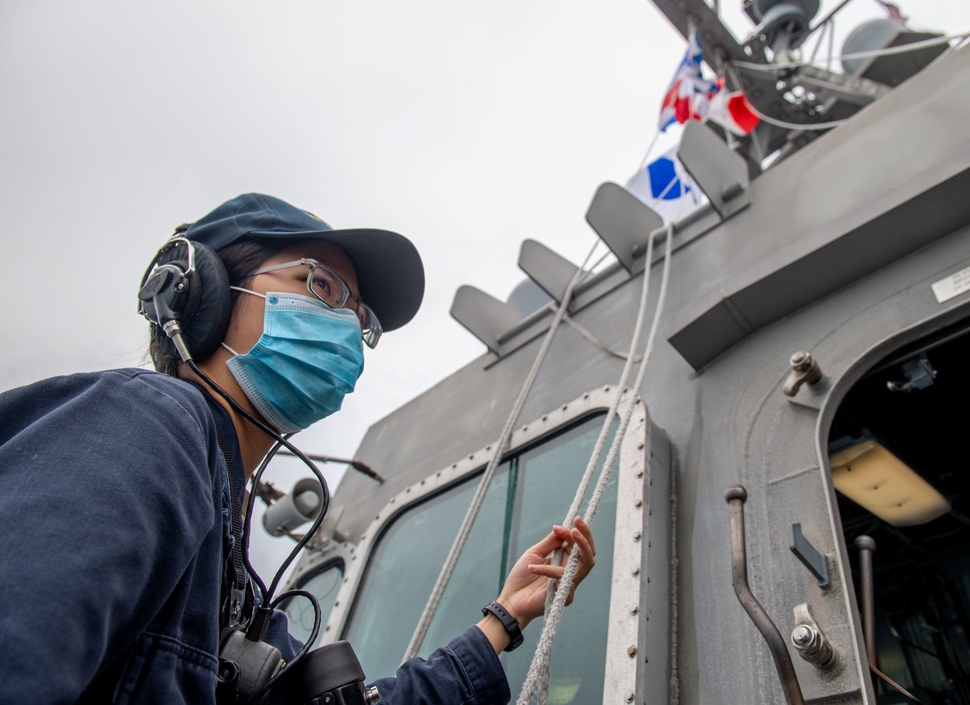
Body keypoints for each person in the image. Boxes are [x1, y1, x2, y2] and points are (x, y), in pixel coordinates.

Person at [0, 193, 597, 704]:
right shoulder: (151, 420)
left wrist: (504, 617)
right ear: (202, 294)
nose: (346, 329)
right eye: (321, 286)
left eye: (359, 318)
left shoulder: (242, 591)